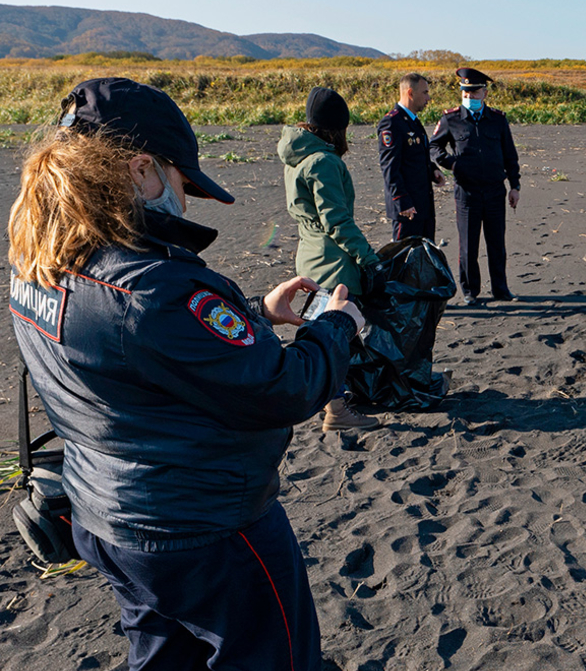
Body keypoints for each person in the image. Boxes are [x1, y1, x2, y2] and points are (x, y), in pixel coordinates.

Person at [8, 77, 364, 670]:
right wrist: (334, 325)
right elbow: (284, 388)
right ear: (143, 171)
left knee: (161, 657)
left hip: (106, 516)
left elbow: (129, 353)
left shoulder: (38, 263)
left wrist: (252, 314)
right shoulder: (152, 289)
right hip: (202, 528)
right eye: (180, 180)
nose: (181, 194)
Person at [278, 86, 381, 430]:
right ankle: (337, 410)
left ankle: (337, 401)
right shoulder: (324, 161)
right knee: (336, 333)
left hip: (308, 254)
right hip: (333, 260)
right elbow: (336, 220)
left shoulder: (296, 158)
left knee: (323, 331)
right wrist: (368, 258)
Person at [430, 67, 521, 305]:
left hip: (494, 191)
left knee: (496, 244)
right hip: (466, 193)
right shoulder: (451, 119)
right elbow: (434, 146)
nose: (470, 97)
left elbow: (510, 155)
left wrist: (515, 186)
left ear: (485, 93)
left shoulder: (498, 120)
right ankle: (470, 291)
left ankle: (501, 289)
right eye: (466, 93)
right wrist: (452, 164)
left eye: (474, 92)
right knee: (468, 245)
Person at [377, 72, 445, 240]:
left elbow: (416, 157)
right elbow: (390, 168)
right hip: (407, 210)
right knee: (404, 261)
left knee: (423, 259)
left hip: (422, 206)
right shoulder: (392, 122)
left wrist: (433, 171)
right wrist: (402, 201)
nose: (428, 98)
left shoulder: (413, 120)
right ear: (410, 93)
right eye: (425, 92)